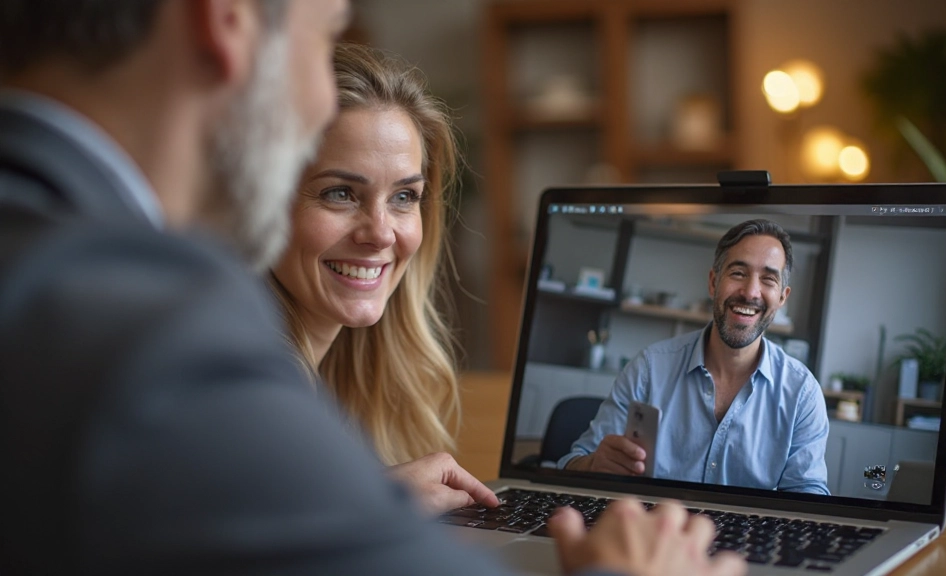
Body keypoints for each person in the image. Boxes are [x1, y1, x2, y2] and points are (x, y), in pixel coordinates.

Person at [0, 1, 747, 575]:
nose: (383, 232)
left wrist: (362, 503)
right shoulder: (163, 342)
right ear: (227, 20)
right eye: (323, 38)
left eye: (406, 197)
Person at [270, 43, 461, 470]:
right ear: (264, 202)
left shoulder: (342, 387)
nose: (379, 233)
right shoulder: (247, 388)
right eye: (339, 194)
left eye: (404, 197)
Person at [560, 219, 829, 495]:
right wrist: (593, 465)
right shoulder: (649, 370)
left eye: (768, 279)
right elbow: (573, 463)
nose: (750, 292)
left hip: (745, 538)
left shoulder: (802, 394)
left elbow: (809, 498)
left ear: (782, 298)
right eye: (738, 273)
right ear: (714, 283)